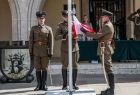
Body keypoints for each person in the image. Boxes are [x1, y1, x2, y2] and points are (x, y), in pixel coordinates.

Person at [81, 9, 115, 95]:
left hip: (105, 49)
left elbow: (97, 36)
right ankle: (109, 88)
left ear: (107, 17)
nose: (102, 18)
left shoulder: (107, 26)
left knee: (108, 69)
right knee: (106, 69)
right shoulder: (106, 25)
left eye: (103, 17)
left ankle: (111, 90)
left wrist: (86, 33)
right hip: (104, 48)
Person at [29, 11, 54, 91]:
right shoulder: (33, 28)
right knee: (37, 68)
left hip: (45, 52)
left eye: (42, 18)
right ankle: (38, 85)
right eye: (40, 18)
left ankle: (44, 84)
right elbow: (30, 40)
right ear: (37, 19)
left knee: (45, 68)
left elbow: (51, 42)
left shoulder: (48, 28)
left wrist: (51, 52)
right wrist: (30, 51)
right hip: (36, 51)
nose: (41, 20)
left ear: (44, 19)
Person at [55, 10, 79, 90]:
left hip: (74, 48)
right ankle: (65, 85)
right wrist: (64, 35)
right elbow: (56, 37)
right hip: (65, 49)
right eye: (65, 16)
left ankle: (73, 84)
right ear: (63, 17)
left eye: (68, 16)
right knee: (65, 66)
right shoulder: (60, 25)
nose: (67, 18)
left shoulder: (74, 24)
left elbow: (78, 32)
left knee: (75, 66)